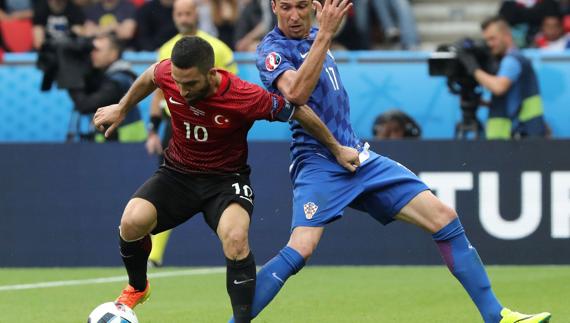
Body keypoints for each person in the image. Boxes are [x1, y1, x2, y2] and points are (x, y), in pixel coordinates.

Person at [228, 1, 552, 322]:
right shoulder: (272, 50)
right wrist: (326, 33)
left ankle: (496, 316)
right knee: (301, 248)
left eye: (301, 6)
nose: (295, 15)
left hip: (358, 154)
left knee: (443, 216)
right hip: (318, 161)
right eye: (286, 7)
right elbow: (295, 96)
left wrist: (323, 33)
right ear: (273, 7)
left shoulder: (316, 35)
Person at [92, 36, 359, 322]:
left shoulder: (245, 96)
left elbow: (297, 110)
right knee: (132, 221)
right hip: (177, 174)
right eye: (179, 82)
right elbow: (150, 76)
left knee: (235, 238)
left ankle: (241, 319)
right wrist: (122, 107)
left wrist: (336, 148)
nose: (182, 90)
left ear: (210, 73)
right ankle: (138, 287)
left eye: (191, 84)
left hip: (225, 180)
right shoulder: (171, 73)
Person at [145, 0, 238, 268]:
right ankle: (154, 255)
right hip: (176, 131)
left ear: (197, 14)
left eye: (188, 13)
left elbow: (231, 88)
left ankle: (235, 247)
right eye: (179, 14)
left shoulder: (218, 49)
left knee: (220, 192)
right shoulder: (166, 48)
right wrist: (152, 129)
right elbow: (158, 90)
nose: (184, 18)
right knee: (165, 191)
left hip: (213, 133)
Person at [458, 16, 548, 139]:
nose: (489, 44)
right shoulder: (517, 59)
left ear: (507, 35)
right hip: (520, 135)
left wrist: (472, 67)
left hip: (520, 136)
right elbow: (514, 99)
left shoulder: (511, 60)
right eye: (487, 40)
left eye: (493, 39)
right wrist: (485, 103)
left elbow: (499, 88)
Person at [68, 33, 146, 142]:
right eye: (91, 50)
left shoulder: (118, 80)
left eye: (97, 50)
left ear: (113, 53)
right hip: (120, 144)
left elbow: (85, 105)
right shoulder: (112, 75)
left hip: (126, 146)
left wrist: (70, 78)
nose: (92, 54)